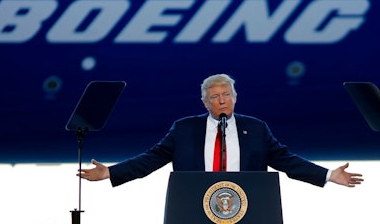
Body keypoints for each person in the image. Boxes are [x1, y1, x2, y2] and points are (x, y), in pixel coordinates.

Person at [78, 73, 363, 188]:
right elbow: (150, 159)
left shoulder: (256, 128)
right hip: (194, 205)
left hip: (248, 205)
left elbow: (287, 161)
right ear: (205, 102)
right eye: (214, 96)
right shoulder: (185, 129)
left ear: (235, 97)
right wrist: (110, 172)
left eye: (226, 94)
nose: (222, 100)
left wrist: (328, 175)